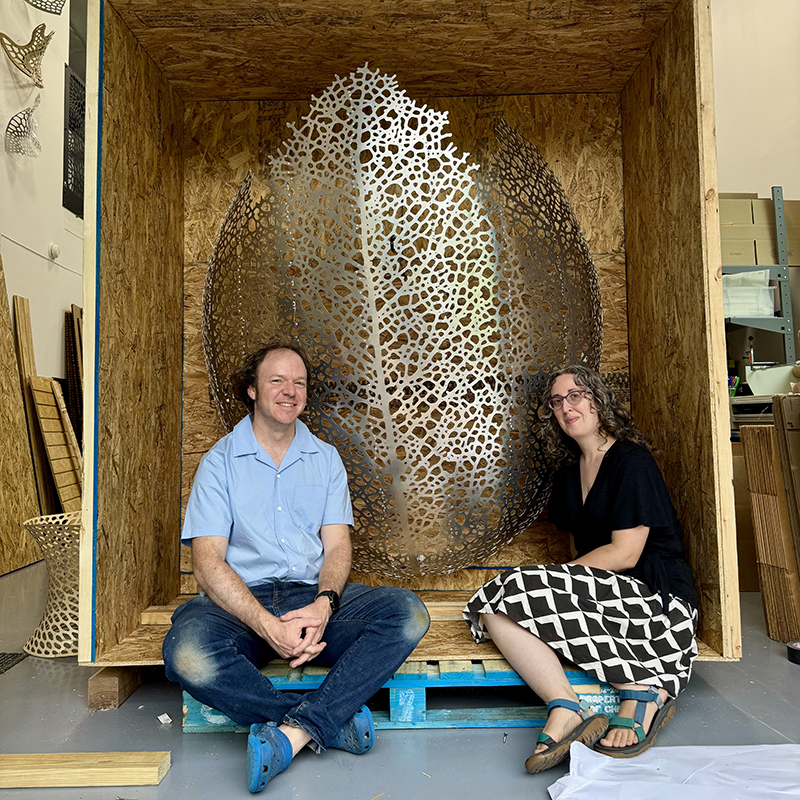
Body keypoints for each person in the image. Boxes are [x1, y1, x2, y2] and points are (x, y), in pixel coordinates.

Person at [163, 339, 430, 793]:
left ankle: (295, 732)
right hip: (240, 606)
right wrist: (268, 626)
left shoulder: (325, 459)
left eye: (299, 382)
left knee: (407, 614)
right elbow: (207, 564)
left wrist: (324, 606)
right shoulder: (219, 462)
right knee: (186, 651)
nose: (290, 391)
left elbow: (337, 547)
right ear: (251, 389)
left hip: (311, 602)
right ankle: (325, 720)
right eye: (277, 380)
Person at [463, 364, 698, 774]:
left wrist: (558, 580)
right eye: (557, 401)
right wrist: (562, 585)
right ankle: (566, 705)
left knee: (513, 586)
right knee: (492, 608)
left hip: (658, 603)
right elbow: (582, 547)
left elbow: (624, 554)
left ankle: (640, 690)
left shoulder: (631, 461)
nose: (566, 407)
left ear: (598, 399)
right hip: (608, 599)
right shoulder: (570, 472)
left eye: (576, 395)